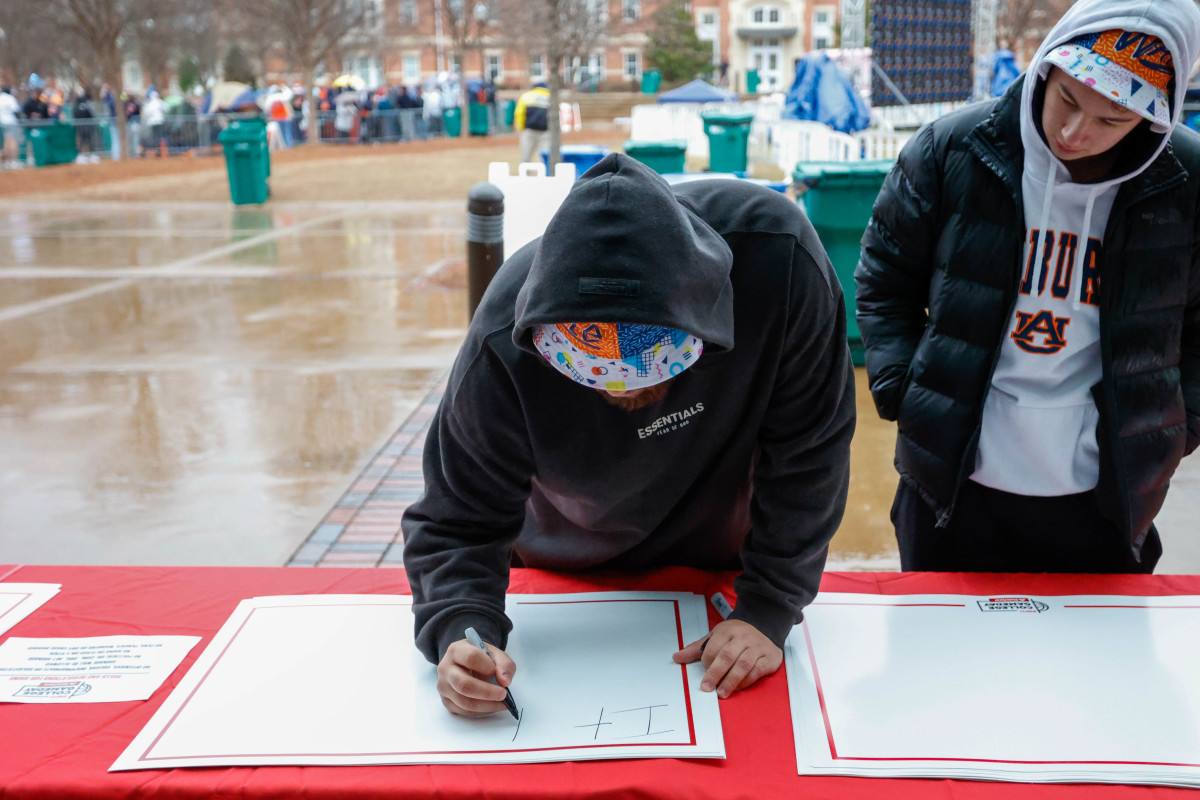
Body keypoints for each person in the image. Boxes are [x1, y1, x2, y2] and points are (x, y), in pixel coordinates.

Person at [403, 154, 855, 716]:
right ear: (545, 337)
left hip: (720, 558)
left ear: (703, 323)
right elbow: (457, 515)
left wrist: (770, 604)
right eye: (590, 372)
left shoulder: (778, 261)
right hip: (564, 563)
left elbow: (811, 450)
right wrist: (461, 626)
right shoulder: (502, 339)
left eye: (650, 368)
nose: (620, 392)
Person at [855, 0, 1200, 574]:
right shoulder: (953, 148)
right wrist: (902, 387)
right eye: (1066, 98)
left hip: (1108, 494)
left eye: (1111, 121)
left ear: (1155, 119)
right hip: (952, 482)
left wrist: (1174, 429)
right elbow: (883, 276)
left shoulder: (1186, 181)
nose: (1074, 131)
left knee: (1095, 659)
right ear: (1045, 67)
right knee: (942, 652)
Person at [514, 81, 551, 164]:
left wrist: (521, 127)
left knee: (526, 157)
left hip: (529, 130)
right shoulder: (550, 97)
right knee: (545, 157)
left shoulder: (527, 96)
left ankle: (525, 174)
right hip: (546, 131)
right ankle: (546, 174)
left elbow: (519, 113)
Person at [0, 86, 21, 166]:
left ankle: (4, 162)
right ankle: (13, 161)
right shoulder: (10, 98)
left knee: (3, 143)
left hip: (1, 123)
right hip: (10, 122)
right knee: (11, 141)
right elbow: (16, 110)